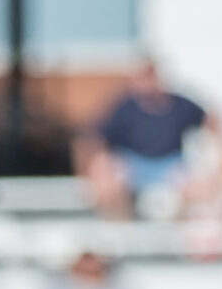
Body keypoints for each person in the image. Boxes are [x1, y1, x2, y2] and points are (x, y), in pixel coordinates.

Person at [81, 59, 211, 219]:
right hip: (132, 163)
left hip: (170, 164)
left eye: (150, 76)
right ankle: (119, 231)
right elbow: (95, 140)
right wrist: (96, 167)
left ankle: (182, 234)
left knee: (199, 189)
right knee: (109, 186)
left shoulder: (180, 105)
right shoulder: (122, 107)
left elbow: (211, 121)